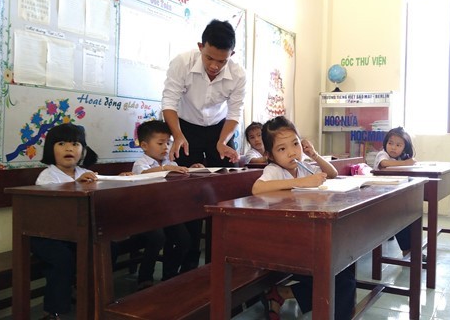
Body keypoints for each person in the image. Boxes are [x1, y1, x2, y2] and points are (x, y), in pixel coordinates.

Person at [162, 19, 246, 271]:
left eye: (222, 61)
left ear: (231, 54)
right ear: (201, 46)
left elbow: (235, 112)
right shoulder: (182, 62)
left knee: (221, 196)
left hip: (219, 131)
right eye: (210, 58)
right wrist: (177, 135)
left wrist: (222, 141)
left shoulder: (238, 74)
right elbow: (169, 102)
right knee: (185, 195)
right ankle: (179, 270)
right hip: (184, 128)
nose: (214, 66)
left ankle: (217, 266)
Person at [252, 116, 354, 320]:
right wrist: (302, 182)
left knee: (345, 266)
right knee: (341, 276)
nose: (292, 152)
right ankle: (286, 294)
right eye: (282, 149)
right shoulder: (274, 170)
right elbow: (257, 188)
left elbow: (332, 173)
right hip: (284, 245)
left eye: (295, 144)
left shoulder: (303, 165)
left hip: (305, 240)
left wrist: (314, 155)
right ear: (270, 155)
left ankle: (283, 293)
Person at [31, 123, 99, 320]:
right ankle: (53, 310)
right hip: (46, 234)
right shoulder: (47, 176)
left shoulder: (83, 172)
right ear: (51, 149)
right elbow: (55, 207)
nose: (69, 148)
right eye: (61, 143)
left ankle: (85, 292)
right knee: (62, 259)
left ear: (83, 150)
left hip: (74, 232)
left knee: (106, 248)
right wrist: (77, 185)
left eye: (76, 144)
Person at [132, 120, 202, 282]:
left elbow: (179, 179)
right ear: (144, 145)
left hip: (167, 212)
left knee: (184, 240)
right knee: (157, 238)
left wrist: (191, 169)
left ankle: (169, 274)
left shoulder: (170, 163)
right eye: (160, 143)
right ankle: (145, 278)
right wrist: (164, 169)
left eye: (168, 143)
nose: (166, 147)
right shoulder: (140, 163)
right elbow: (143, 174)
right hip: (147, 214)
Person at [374, 126, 425, 261]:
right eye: (390, 143)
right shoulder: (383, 154)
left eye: (398, 145)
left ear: (405, 147)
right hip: (377, 198)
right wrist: (406, 162)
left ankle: (413, 249)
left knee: (411, 216)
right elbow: (384, 164)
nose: (393, 148)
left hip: (392, 197)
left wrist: (408, 162)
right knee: (400, 219)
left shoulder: (401, 158)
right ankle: (408, 250)